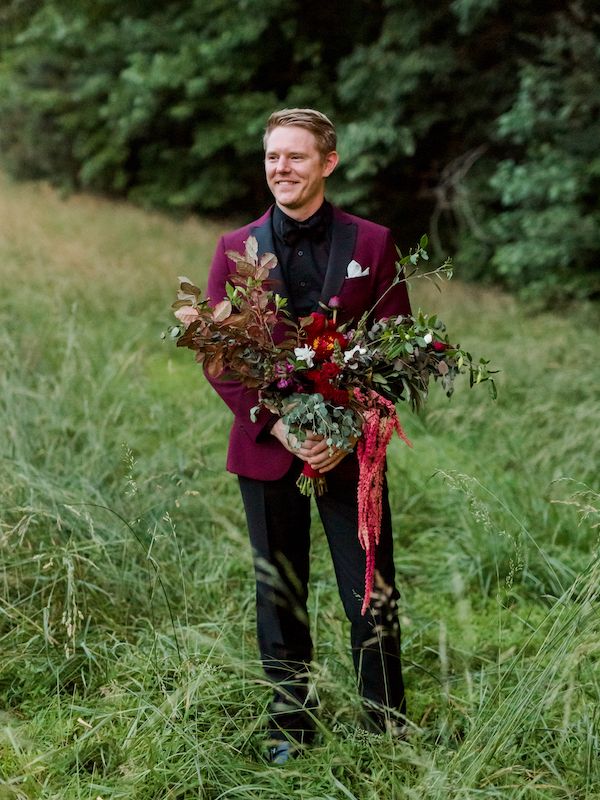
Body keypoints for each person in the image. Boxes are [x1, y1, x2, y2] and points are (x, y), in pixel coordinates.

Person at [206, 108, 411, 763]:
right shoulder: (235, 248)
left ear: (328, 162)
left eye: (295, 156)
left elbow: (398, 349)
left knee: (371, 588)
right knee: (280, 591)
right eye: (272, 157)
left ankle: (386, 731)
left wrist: (345, 429)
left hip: (353, 451)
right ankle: (290, 728)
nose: (280, 168)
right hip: (268, 452)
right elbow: (219, 357)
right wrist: (282, 424)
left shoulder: (374, 244)